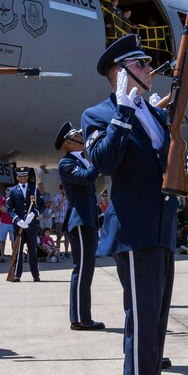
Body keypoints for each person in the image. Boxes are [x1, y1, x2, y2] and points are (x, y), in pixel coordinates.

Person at [82, 34, 184, 375]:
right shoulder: (99, 114)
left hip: (160, 231)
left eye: (147, 63)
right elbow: (104, 161)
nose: (149, 69)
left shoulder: (154, 114)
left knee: (155, 325)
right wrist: (122, 113)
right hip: (134, 233)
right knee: (140, 326)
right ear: (119, 73)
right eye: (140, 64)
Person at [56, 120, 105, 330]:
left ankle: (83, 316)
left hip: (88, 221)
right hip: (80, 222)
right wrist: (97, 157)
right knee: (82, 269)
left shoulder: (81, 160)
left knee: (88, 270)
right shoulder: (66, 163)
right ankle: (78, 318)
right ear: (68, 142)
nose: (81, 136)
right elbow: (86, 178)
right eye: (76, 134)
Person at [7, 167, 42, 281]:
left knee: (33, 250)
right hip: (19, 227)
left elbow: (41, 205)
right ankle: (17, 274)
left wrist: (34, 214)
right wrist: (18, 220)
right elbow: (9, 209)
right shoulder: (12, 191)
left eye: (25, 176)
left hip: (31, 226)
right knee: (18, 251)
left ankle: (35, 275)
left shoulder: (34, 189)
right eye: (20, 176)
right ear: (17, 178)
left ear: (27, 177)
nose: (23, 178)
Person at [0, 189, 14, 263]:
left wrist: (7, 209)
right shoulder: (3, 199)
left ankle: (14, 255)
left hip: (12, 222)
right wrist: (11, 210)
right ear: (5, 191)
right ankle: (2, 255)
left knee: (13, 240)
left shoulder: (14, 199)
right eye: (8, 190)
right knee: (2, 239)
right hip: (4, 222)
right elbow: (2, 209)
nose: (9, 191)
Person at [51, 184, 69, 259]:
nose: (63, 190)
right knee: (59, 237)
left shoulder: (69, 197)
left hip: (66, 220)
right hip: (59, 220)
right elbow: (58, 208)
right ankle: (58, 252)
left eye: (64, 188)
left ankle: (66, 252)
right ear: (60, 189)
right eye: (62, 189)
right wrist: (63, 200)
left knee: (67, 237)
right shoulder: (56, 197)